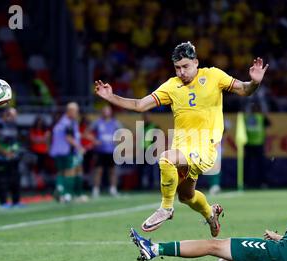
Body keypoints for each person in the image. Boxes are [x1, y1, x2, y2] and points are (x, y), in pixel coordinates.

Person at [94, 41, 268, 236]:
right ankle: (210, 214)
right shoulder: (171, 86)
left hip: (205, 146)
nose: (181, 72)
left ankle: (166, 208)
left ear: (196, 62)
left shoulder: (213, 75)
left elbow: (244, 90)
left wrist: (254, 82)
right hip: (183, 147)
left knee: (165, 158)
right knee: (186, 196)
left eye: (185, 66)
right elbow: (140, 105)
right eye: (177, 68)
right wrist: (112, 98)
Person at [130, 176, 287, 261]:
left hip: (279, 259)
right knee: (229, 259)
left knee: (215, 245)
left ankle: (154, 249)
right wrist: (280, 237)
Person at [49, 102, 84, 203]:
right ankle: (67, 194)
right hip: (66, 151)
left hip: (57, 151)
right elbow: (68, 137)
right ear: (70, 111)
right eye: (76, 111)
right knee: (70, 171)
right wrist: (79, 147)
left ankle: (59, 190)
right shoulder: (68, 122)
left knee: (61, 172)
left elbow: (50, 135)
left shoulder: (61, 122)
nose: (77, 113)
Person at [0, 108, 24, 209]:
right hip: (2, 158)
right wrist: (5, 153)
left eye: (15, 115)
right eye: (12, 115)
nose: (14, 117)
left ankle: (16, 201)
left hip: (14, 157)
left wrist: (15, 152)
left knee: (16, 179)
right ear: (6, 115)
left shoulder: (15, 125)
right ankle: (3, 202)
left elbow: (16, 141)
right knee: (2, 180)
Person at [90, 105, 122, 198]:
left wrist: (118, 141)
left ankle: (113, 189)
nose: (106, 113)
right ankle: (95, 190)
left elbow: (123, 133)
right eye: (104, 111)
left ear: (111, 112)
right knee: (98, 170)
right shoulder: (97, 122)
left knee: (112, 171)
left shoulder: (115, 123)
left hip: (112, 151)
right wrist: (94, 140)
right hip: (100, 151)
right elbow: (86, 133)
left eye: (107, 111)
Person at [244, 104, 271, 189]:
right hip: (251, 144)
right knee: (251, 165)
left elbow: (269, 124)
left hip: (256, 144)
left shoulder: (249, 117)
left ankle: (261, 182)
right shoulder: (259, 117)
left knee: (258, 165)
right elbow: (269, 124)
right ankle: (248, 183)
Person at [29, 116, 51, 190]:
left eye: (41, 122)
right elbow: (33, 140)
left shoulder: (46, 130)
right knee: (35, 170)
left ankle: (42, 185)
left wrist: (38, 140)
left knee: (43, 169)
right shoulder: (33, 130)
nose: (39, 124)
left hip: (44, 152)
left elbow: (46, 140)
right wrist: (42, 139)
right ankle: (37, 185)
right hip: (35, 152)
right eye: (38, 122)